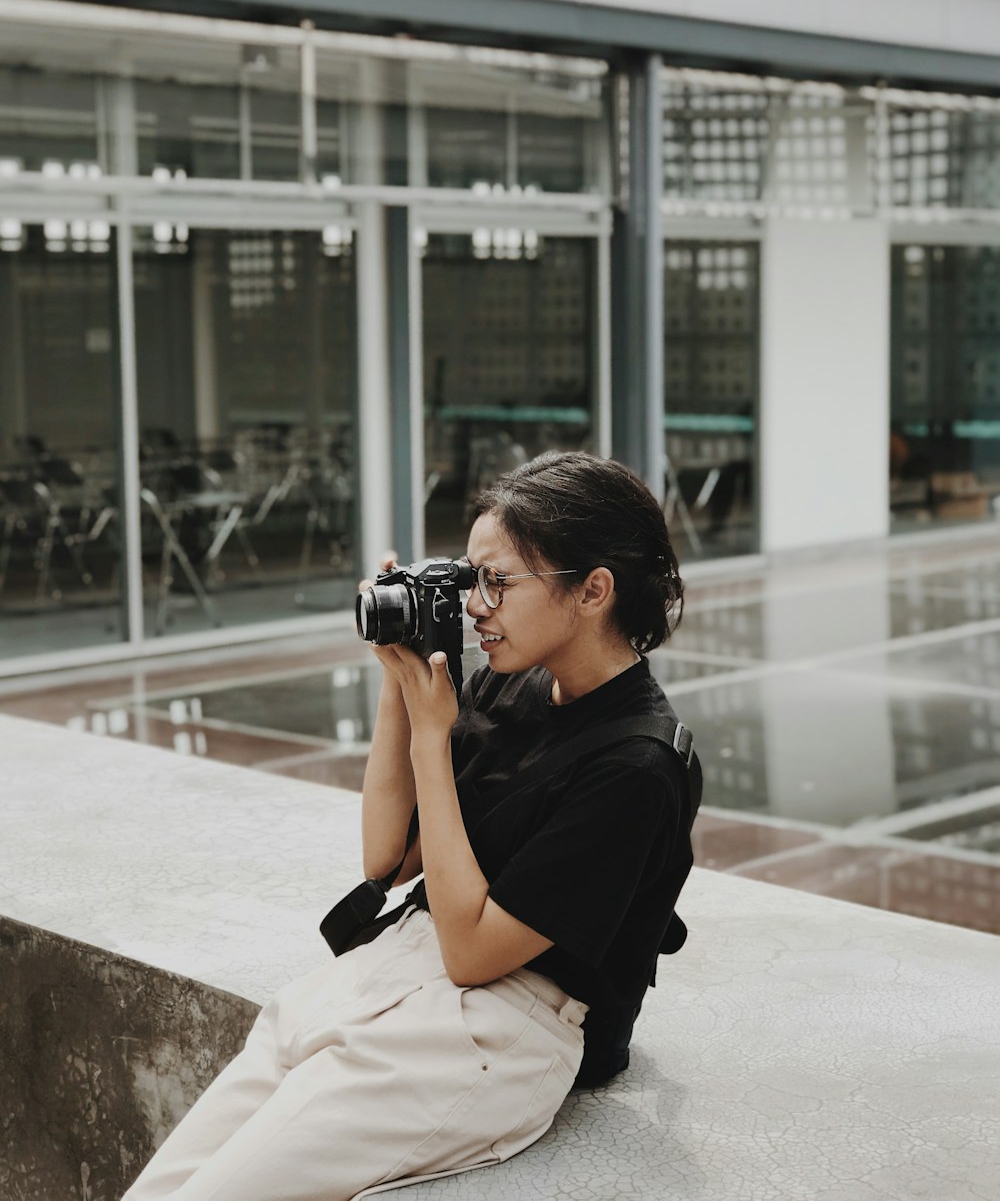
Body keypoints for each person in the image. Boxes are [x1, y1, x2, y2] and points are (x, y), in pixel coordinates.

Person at [123, 451, 699, 1201]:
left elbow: (472, 952)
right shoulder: (513, 680)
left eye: (498, 580)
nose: (475, 604)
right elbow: (389, 858)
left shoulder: (637, 765)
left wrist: (434, 739)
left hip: (500, 1028)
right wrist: (401, 684)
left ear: (593, 590)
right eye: (469, 577)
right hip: (393, 970)